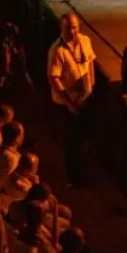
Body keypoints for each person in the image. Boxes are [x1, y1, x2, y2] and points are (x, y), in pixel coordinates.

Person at [48, 12, 96, 185]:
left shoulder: (85, 41)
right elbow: (54, 78)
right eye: (69, 29)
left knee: (84, 137)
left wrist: (92, 85)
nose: (73, 32)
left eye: (75, 28)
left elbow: (90, 62)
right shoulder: (57, 50)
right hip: (67, 105)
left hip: (85, 98)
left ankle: (86, 170)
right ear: (61, 28)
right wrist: (70, 103)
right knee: (71, 142)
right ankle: (74, 178)